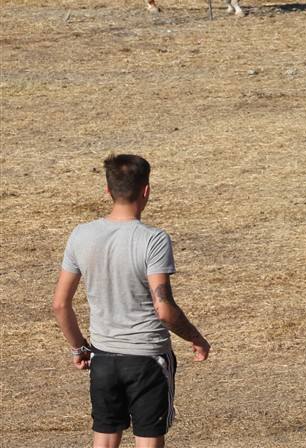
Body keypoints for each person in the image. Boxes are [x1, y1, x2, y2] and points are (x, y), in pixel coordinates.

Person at [53, 154, 210, 448]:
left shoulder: (81, 235)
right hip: (147, 359)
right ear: (146, 190)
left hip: (102, 357)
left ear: (108, 190)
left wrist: (79, 347)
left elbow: (60, 304)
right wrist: (197, 337)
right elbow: (164, 309)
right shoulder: (153, 240)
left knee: (105, 437)